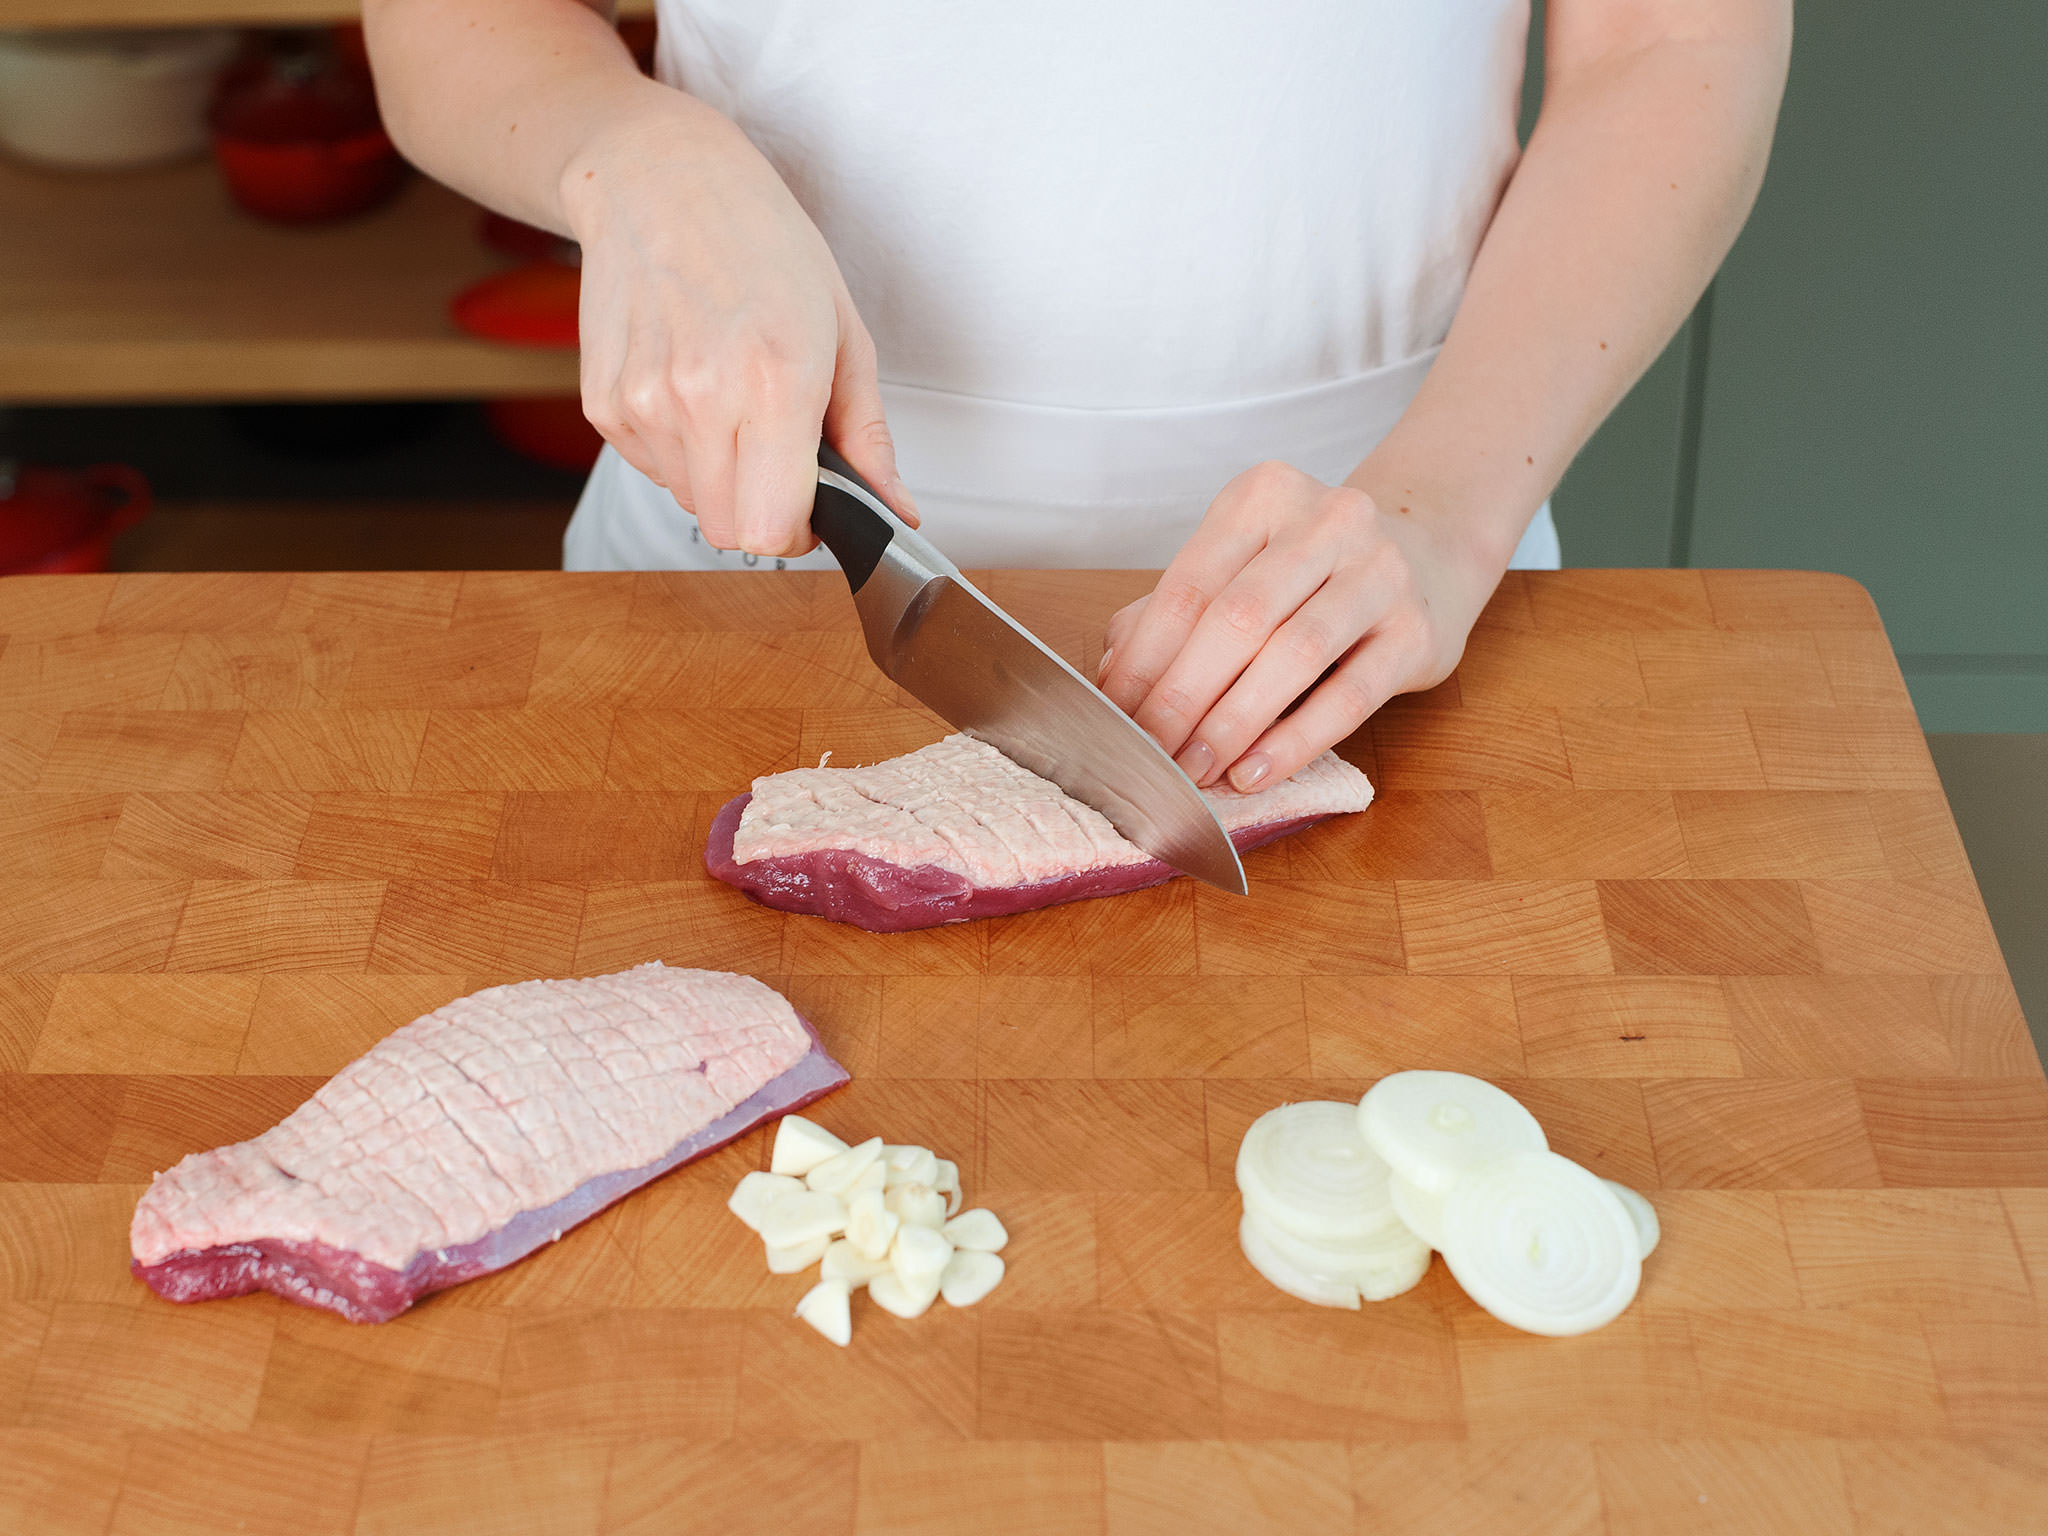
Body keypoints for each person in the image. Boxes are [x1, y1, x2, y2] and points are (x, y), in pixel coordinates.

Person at [365, 0, 1789, 793]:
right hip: (729, 564)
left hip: (1386, 605)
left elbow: (1678, 45)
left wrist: (1447, 510)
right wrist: (634, 149)